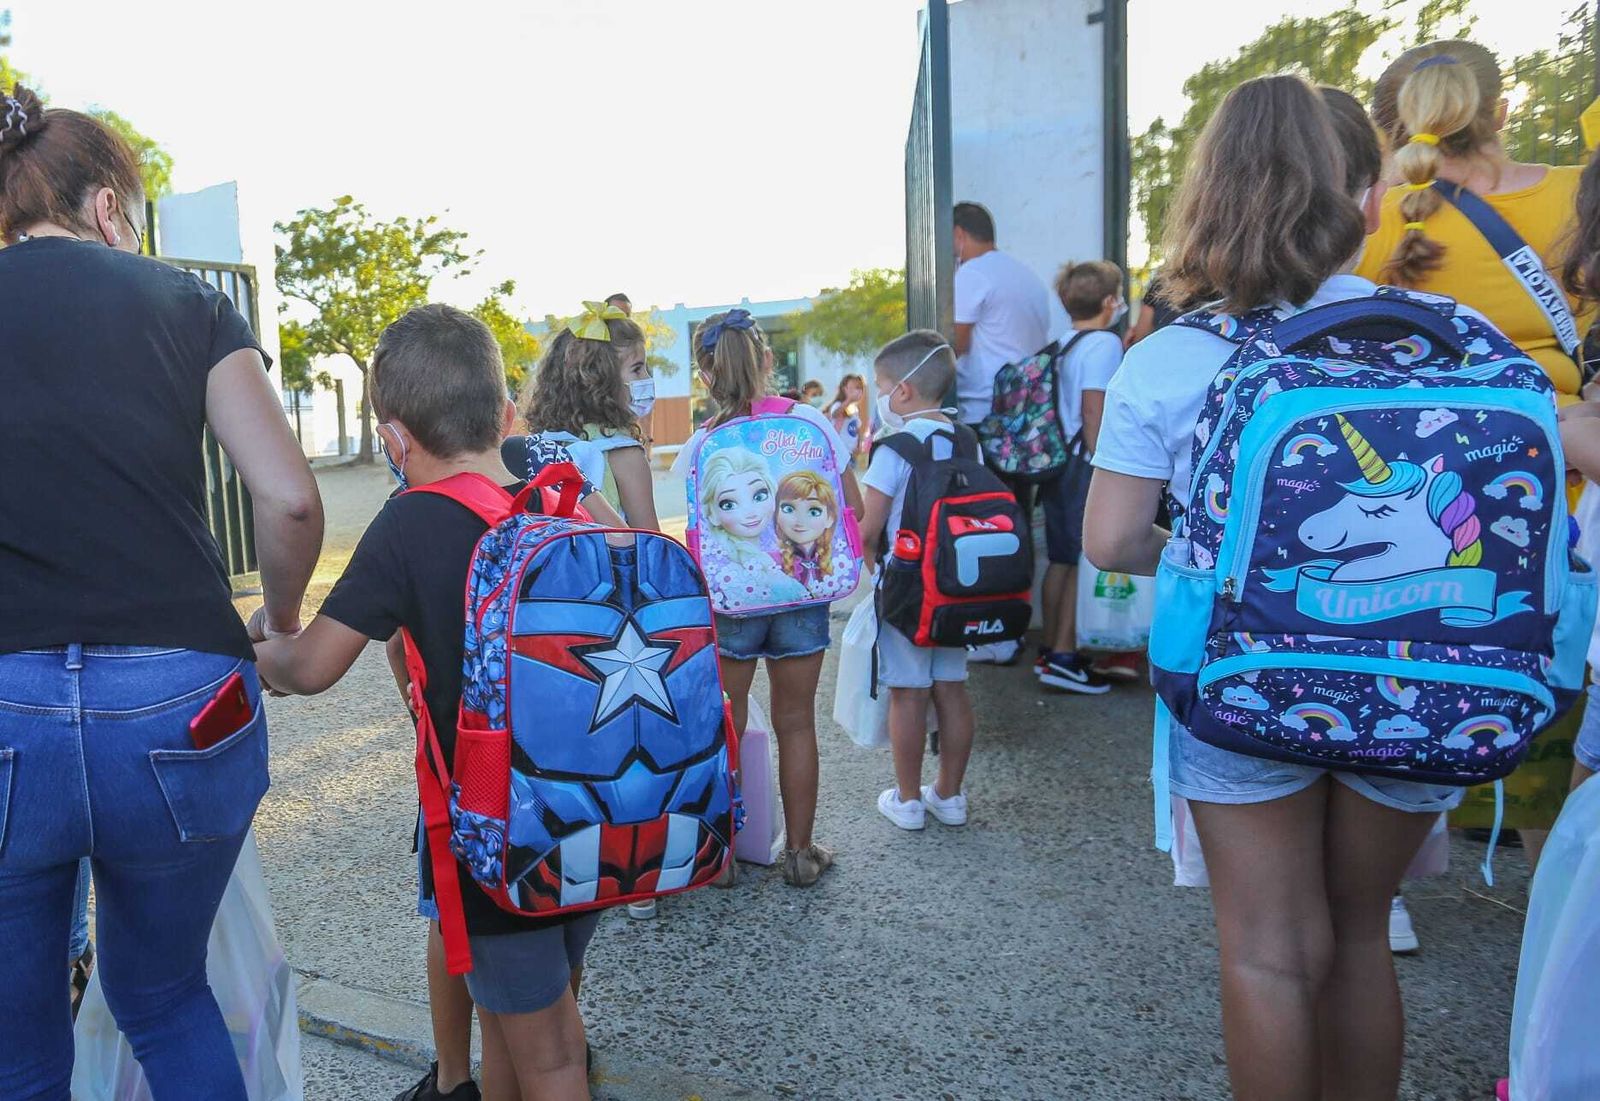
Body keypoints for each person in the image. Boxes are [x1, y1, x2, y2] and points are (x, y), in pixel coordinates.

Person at [1085, 74, 1465, 1101]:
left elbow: (1111, 539)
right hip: (1423, 674)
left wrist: (1225, 554)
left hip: (1246, 677)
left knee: (1268, 950)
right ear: (1367, 201)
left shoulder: (1170, 357)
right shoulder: (1448, 334)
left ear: (1211, 199)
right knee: (1360, 935)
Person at [0, 87, 323, 1099]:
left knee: (17, 1042)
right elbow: (290, 499)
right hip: (184, 701)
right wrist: (279, 623)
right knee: (163, 994)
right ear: (107, 208)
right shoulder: (188, 302)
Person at [255, 305, 596, 1101]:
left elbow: (311, 667)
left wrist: (259, 646)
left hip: (498, 837)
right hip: (588, 813)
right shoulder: (556, 497)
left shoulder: (409, 523)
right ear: (505, 415)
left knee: (552, 1057)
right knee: (521, 1024)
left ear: (394, 439)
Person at [671, 309, 862, 886]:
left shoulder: (700, 444)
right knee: (796, 723)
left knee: (725, 724)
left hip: (730, 605)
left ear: (705, 375)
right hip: (802, 595)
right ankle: (800, 854)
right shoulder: (811, 422)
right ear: (769, 361)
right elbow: (853, 508)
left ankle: (723, 856)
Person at [1358, 40, 1595, 413]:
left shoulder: (1373, 215)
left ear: (1390, 132)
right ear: (1500, 113)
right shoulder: (1585, 192)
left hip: (1421, 438)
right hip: (1560, 429)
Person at [859, 332, 977, 830]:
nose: (880, 395)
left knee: (908, 692)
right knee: (952, 686)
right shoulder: (966, 440)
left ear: (902, 391)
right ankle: (949, 795)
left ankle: (907, 800)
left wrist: (876, 578)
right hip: (957, 586)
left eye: (881, 386)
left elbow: (867, 529)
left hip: (908, 589)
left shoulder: (896, 448)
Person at [952, 200, 1053, 664]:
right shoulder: (1026, 275)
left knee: (986, 523)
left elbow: (956, 343)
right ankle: (1012, 626)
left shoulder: (972, 274)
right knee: (1017, 520)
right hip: (1026, 417)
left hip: (984, 413)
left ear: (958, 235)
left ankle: (995, 632)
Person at [1033, 260, 1126, 695]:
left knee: (1061, 559)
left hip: (1057, 464)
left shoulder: (1064, 343)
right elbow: (1093, 409)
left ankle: (1050, 648)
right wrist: (1104, 463)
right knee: (1076, 558)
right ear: (1109, 301)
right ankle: (1065, 657)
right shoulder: (1104, 344)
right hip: (1082, 463)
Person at [511, 302, 659, 529]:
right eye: (637, 369)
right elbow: (651, 542)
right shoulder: (624, 455)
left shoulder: (544, 447)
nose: (646, 378)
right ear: (601, 380)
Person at [824, 373, 870, 463]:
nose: (858, 391)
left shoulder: (855, 408)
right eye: (854, 388)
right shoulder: (838, 404)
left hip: (851, 453)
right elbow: (835, 414)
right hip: (839, 453)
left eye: (860, 388)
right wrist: (849, 400)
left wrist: (859, 445)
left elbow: (857, 429)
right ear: (844, 389)